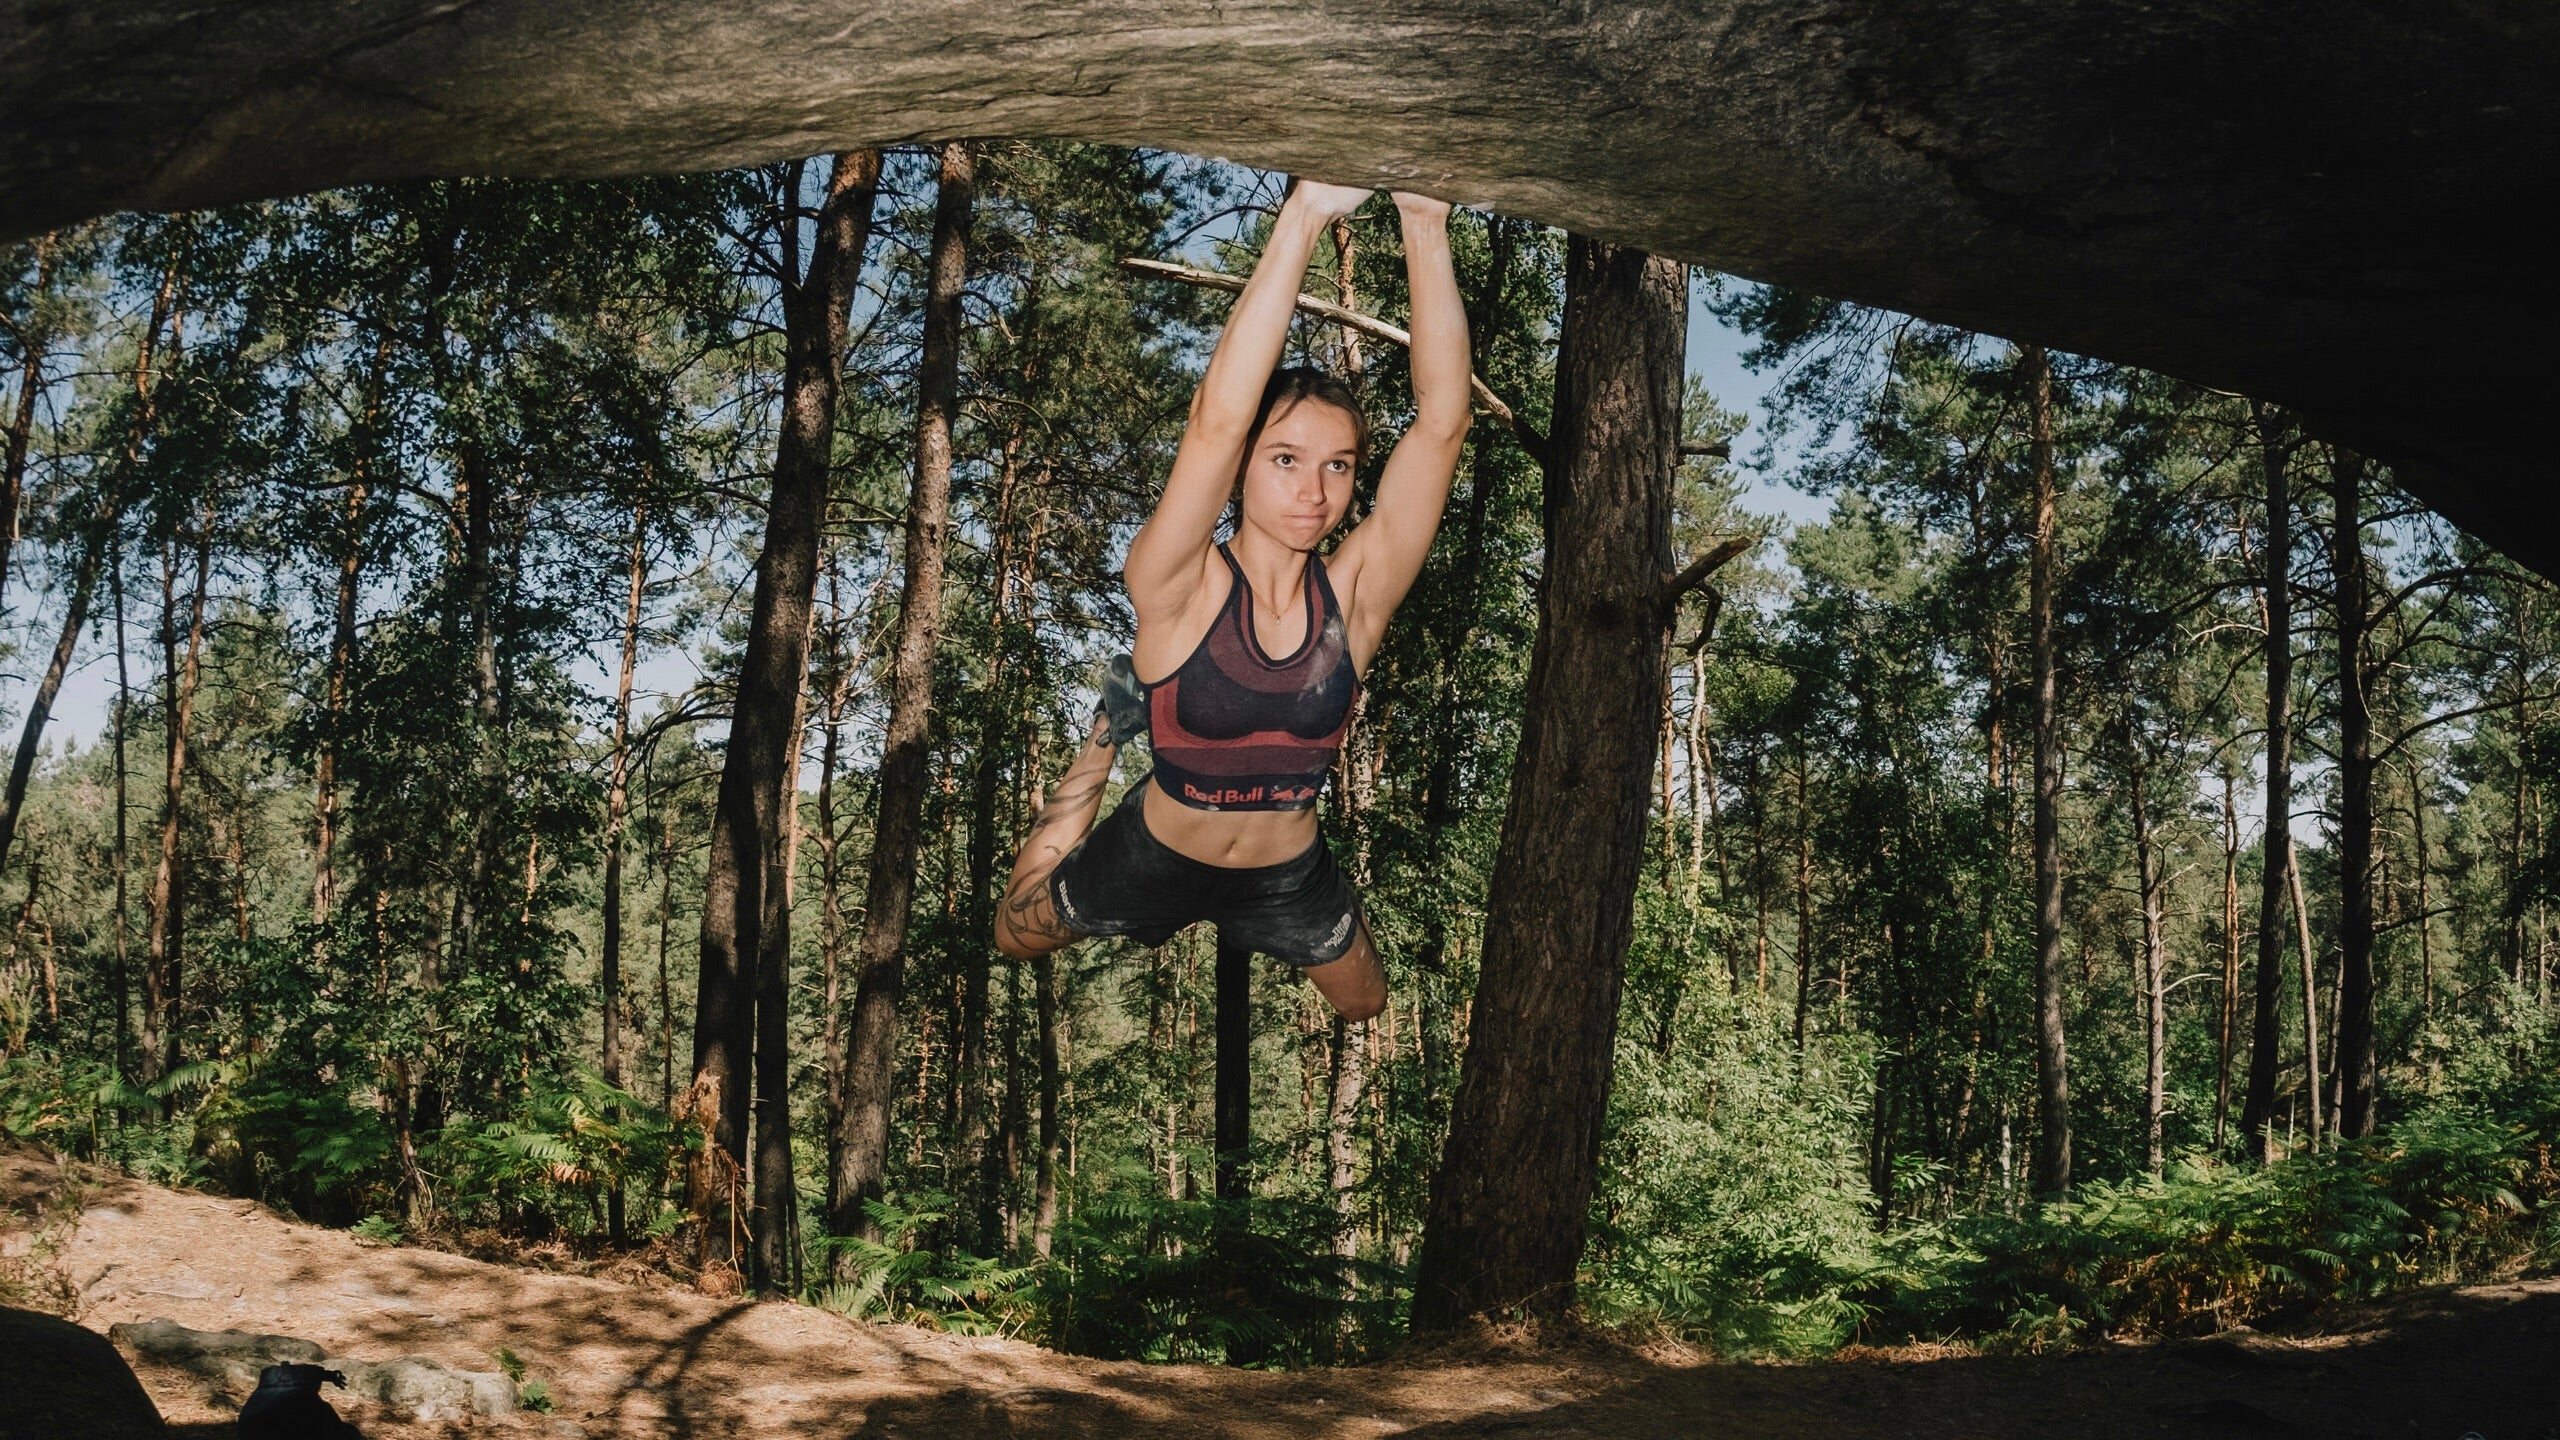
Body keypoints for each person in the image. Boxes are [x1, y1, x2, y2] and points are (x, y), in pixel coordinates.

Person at [993, 180, 1471, 1021]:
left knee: (1365, 1004)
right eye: (1285, 457)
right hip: (1156, 853)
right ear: (1245, 464)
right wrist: (1306, 214)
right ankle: (1112, 721)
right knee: (1012, 930)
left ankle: (1126, 711)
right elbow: (1216, 417)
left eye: (1339, 465)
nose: (1315, 490)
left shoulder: (1354, 595)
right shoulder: (1178, 582)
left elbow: (1442, 422)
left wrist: (1423, 218)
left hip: (1285, 873)